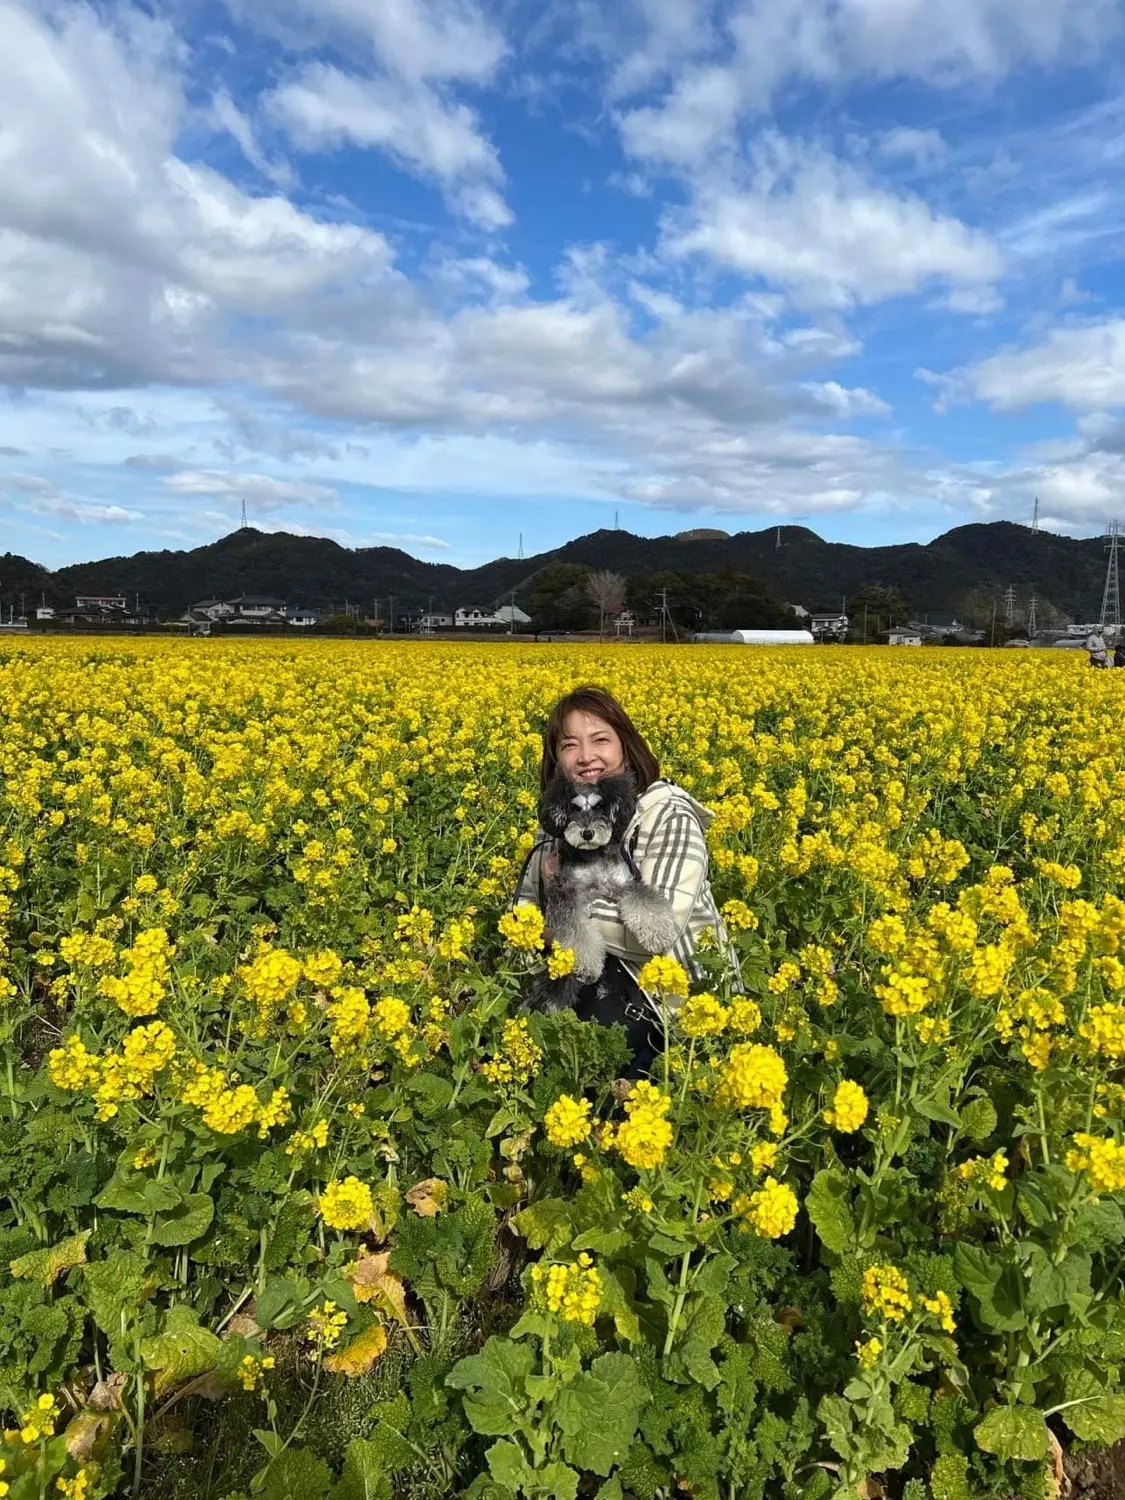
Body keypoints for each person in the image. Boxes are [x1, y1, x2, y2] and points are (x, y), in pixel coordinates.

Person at [513, 685, 738, 1074]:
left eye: (600, 740)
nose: (586, 757)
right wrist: (529, 936)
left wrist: (551, 928)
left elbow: (658, 933)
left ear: (625, 745)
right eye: (569, 745)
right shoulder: (556, 825)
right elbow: (520, 914)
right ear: (556, 760)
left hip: (673, 997)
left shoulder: (667, 815)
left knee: (591, 1053)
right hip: (578, 977)